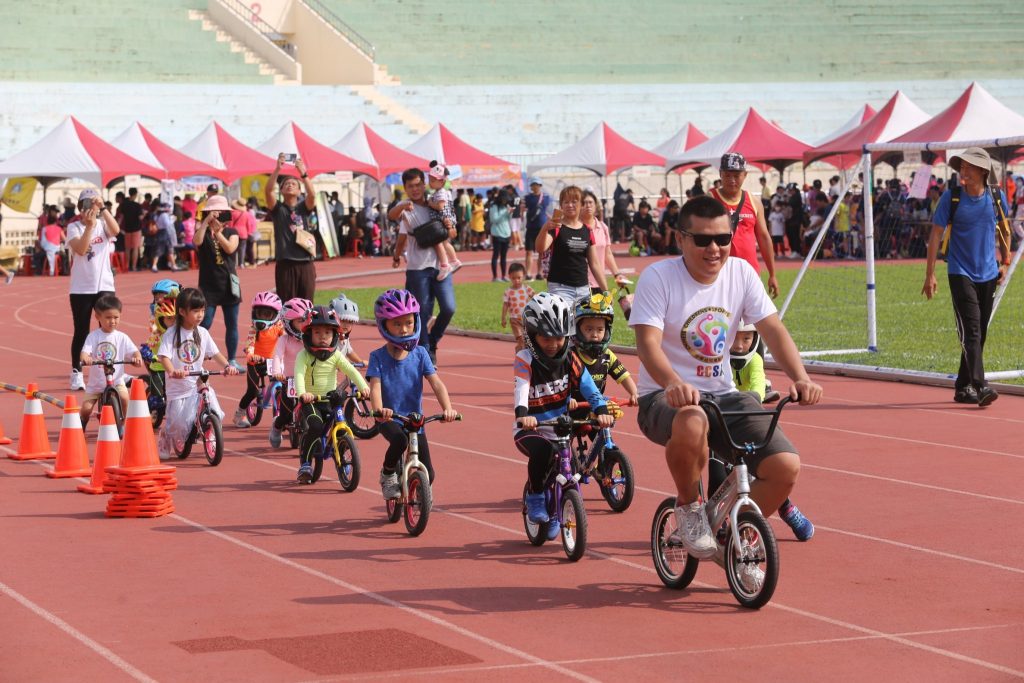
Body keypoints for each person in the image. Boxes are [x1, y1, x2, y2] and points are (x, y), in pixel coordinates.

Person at [630, 195, 823, 561]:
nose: (714, 248)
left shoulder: (741, 273)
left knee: (785, 467)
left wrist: (801, 377)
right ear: (681, 239)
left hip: (722, 396)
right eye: (702, 239)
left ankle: (728, 537)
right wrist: (672, 382)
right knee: (692, 420)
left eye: (722, 238)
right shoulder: (658, 277)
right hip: (663, 399)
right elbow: (647, 345)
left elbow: (774, 330)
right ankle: (689, 508)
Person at [513, 292, 613, 537]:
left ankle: (559, 509)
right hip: (532, 429)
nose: (553, 343)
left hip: (561, 426)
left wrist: (601, 409)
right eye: (546, 337)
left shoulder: (571, 357)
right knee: (544, 452)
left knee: (565, 463)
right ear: (532, 335)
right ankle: (536, 495)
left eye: (559, 337)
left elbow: (588, 386)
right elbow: (521, 388)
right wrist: (523, 414)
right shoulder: (525, 359)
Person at [923, 147, 1011, 407]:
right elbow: (935, 237)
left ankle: (962, 387)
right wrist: (930, 275)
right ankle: (980, 385)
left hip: (989, 273)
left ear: (983, 171)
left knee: (979, 332)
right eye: (961, 166)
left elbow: (1005, 230)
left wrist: (1004, 262)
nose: (963, 170)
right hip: (959, 271)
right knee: (971, 330)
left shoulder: (996, 196)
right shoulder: (952, 198)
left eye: (969, 166)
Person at [728, 322, 814, 540]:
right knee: (720, 475)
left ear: (755, 340)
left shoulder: (754, 360)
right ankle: (715, 523)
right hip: (721, 418)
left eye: (746, 339)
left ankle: (785, 508)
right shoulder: (719, 358)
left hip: (749, 417)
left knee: (765, 470)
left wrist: (752, 398)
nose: (738, 346)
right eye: (734, 338)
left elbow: (757, 385)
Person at [368, 289, 458, 498]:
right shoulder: (378, 357)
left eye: (408, 322)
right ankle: (388, 473)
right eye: (397, 324)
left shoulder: (420, 354)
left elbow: (436, 383)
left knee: (430, 474)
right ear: (384, 325)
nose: (404, 329)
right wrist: (379, 410)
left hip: (414, 419)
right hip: (390, 418)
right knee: (399, 441)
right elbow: (375, 387)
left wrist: (448, 409)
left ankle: (415, 489)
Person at [157, 288, 240, 459]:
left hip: (197, 382)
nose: (200, 315)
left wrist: (227, 365)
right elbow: (163, 357)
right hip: (178, 388)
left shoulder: (202, 333)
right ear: (181, 311)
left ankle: (210, 427)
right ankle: (166, 435)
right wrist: (172, 371)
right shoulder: (171, 334)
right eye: (195, 311)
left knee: (212, 405)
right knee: (179, 425)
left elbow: (215, 353)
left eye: (202, 310)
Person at [387, 167, 457, 366]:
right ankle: (426, 351)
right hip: (417, 268)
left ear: (424, 184)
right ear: (406, 188)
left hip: (441, 266)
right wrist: (396, 255)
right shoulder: (406, 208)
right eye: (411, 186)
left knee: (449, 307)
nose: (415, 189)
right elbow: (397, 227)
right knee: (422, 312)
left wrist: (449, 226)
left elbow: (453, 234)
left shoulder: (435, 203)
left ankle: (432, 340)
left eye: (418, 185)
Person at [293, 305, 369, 484]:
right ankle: (305, 464)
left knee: (340, 420)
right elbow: (298, 374)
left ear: (335, 335)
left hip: (329, 398)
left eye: (327, 333)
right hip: (311, 401)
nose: (322, 337)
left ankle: (342, 448)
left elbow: (351, 371)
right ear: (308, 334)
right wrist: (303, 394)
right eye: (317, 333)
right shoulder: (303, 356)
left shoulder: (335, 355)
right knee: (316, 427)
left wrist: (364, 387)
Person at [67, 188, 120, 391]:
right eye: (87, 205)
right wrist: (88, 227)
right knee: (81, 330)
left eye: (94, 204)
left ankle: (107, 370)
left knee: (107, 328)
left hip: (105, 285)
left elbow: (115, 231)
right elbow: (80, 249)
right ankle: (77, 372)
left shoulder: (103, 225)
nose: (91, 208)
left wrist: (104, 208)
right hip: (81, 288)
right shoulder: (74, 227)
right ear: (81, 208)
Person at [710, 153, 779, 299]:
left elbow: (764, 237)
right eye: (727, 175)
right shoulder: (709, 200)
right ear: (720, 174)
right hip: (719, 276)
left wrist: (772, 274)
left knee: (755, 321)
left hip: (750, 275)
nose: (732, 180)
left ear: (745, 175)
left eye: (736, 175)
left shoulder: (754, 202)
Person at [78, 294, 143, 430]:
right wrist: (86, 358)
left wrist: (136, 358)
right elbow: (85, 352)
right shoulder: (94, 336)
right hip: (96, 383)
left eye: (116, 317)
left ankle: (124, 424)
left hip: (117, 380)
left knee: (125, 399)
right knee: (86, 408)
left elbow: (134, 351)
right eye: (108, 318)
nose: (112, 321)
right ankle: (82, 424)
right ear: (98, 317)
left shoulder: (122, 337)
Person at [193, 194, 242, 369]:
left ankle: (232, 360)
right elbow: (196, 241)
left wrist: (219, 233)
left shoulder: (232, 232)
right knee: (204, 322)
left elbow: (230, 247)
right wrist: (206, 223)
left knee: (232, 324)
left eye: (222, 213)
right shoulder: (203, 232)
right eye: (215, 213)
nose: (218, 216)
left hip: (229, 284)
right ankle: (196, 356)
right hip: (208, 285)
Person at [537, 185, 608, 303]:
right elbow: (540, 248)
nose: (570, 205)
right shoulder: (556, 227)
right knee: (565, 321)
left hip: (583, 289)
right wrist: (544, 228)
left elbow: (595, 264)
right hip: (560, 288)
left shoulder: (587, 230)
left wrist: (605, 291)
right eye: (566, 202)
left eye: (574, 202)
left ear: (581, 205)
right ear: (561, 205)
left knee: (585, 322)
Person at [571, 293, 639, 406]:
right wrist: (567, 399)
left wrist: (634, 393)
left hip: (597, 412)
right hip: (570, 415)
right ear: (577, 330)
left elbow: (624, 376)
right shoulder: (570, 356)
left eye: (600, 329)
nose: (595, 334)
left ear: (607, 331)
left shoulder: (607, 356)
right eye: (589, 329)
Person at [267, 154, 317, 302]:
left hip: (306, 262)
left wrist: (303, 174)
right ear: (281, 191)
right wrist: (277, 169)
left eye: (294, 184)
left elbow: (312, 195)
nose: (289, 185)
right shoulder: (278, 209)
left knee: (307, 304)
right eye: (286, 184)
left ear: (299, 192)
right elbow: (268, 191)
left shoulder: (303, 208)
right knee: (287, 305)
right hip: (285, 264)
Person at [234, 291, 284, 428]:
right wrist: (251, 354)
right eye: (259, 313)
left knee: (287, 384)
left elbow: (286, 338)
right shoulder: (254, 329)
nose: (262, 318)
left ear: (276, 315)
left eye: (267, 315)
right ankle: (239, 413)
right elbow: (249, 344)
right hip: (255, 362)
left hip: (273, 361)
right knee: (253, 391)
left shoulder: (279, 327)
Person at [269, 298, 313, 448]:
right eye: (300, 320)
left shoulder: (310, 339)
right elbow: (277, 356)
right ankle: (277, 427)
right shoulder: (284, 340)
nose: (304, 324)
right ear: (289, 322)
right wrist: (277, 372)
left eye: (306, 320)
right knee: (286, 415)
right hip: (289, 380)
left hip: (307, 380)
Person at [580, 189, 630, 293]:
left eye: (590, 202)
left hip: (600, 282)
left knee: (605, 309)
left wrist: (617, 274)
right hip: (580, 285)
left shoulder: (603, 227)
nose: (588, 205)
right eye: (584, 203)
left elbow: (607, 254)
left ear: (595, 206)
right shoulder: (575, 228)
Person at [424, 161, 463, 281]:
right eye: (430, 180)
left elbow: (440, 207)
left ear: (442, 181)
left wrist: (430, 203)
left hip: (443, 220)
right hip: (446, 220)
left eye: (432, 180)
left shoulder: (441, 193)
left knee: (439, 243)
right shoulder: (442, 192)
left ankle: (445, 264)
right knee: (445, 243)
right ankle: (454, 261)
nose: (430, 183)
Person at [522, 177, 552, 280]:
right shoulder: (527, 197)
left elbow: (548, 210)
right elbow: (521, 208)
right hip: (530, 227)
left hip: (542, 228)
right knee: (529, 251)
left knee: (541, 252)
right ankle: (528, 273)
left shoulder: (546, 197)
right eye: (533, 184)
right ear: (531, 186)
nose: (535, 186)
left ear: (540, 186)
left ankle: (539, 273)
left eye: (537, 184)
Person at [501, 263, 535, 351]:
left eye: (519, 278)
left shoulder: (527, 289)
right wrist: (503, 318)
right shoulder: (508, 292)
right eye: (513, 278)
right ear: (509, 277)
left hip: (526, 319)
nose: (516, 280)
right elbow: (505, 305)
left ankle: (522, 353)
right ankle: (520, 355)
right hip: (514, 320)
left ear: (523, 276)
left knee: (528, 341)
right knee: (520, 339)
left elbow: (536, 297)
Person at [329, 294, 365, 367]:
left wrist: (359, 361)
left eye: (350, 322)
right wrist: (345, 360)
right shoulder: (329, 338)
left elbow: (349, 352)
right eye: (342, 320)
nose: (346, 325)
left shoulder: (345, 338)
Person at [488, 189, 512, 281]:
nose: (505, 201)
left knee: (504, 256)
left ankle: (503, 276)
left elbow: (508, 219)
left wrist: (510, 213)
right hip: (497, 233)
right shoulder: (494, 206)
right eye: (504, 199)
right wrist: (506, 213)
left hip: (506, 233)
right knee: (495, 255)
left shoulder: (507, 206)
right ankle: (495, 277)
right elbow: (494, 220)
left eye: (506, 199)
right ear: (500, 198)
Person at [148, 202, 180, 273]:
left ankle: (156, 266)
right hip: (164, 233)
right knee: (169, 249)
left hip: (160, 233)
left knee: (160, 250)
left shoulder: (157, 215)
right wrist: (173, 220)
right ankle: (173, 265)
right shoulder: (164, 215)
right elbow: (167, 224)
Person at [119, 188, 144, 271]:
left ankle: (127, 266)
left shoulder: (124, 205)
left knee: (127, 248)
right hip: (136, 229)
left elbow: (121, 217)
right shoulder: (137, 205)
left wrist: (118, 226)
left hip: (127, 229)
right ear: (135, 194)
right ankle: (133, 266)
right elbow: (140, 217)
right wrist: (144, 214)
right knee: (135, 248)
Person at [39, 206, 66, 276]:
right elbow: (64, 239)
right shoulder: (59, 228)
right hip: (56, 248)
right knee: (64, 254)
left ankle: (43, 270)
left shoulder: (44, 228)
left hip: (46, 248)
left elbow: (42, 240)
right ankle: (63, 270)